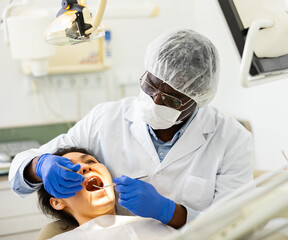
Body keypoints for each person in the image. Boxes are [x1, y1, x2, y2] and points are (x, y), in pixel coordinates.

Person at [9, 29, 253, 229]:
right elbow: (21, 169)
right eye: (150, 85)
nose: (156, 100)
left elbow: (232, 223)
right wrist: (39, 165)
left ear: (198, 98)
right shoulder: (105, 119)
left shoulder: (232, 139)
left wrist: (168, 212)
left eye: (172, 99)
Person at [37, 147, 175, 240]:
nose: (85, 167)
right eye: (70, 169)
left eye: (90, 161)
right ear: (57, 202)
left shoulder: (160, 228)